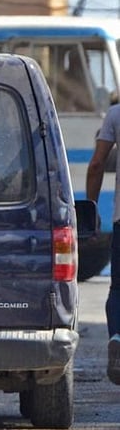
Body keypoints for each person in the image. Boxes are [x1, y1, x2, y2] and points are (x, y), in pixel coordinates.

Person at [88, 106, 120, 385]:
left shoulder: (115, 115)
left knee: (118, 288)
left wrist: (92, 207)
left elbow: (97, 164)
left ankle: (117, 337)